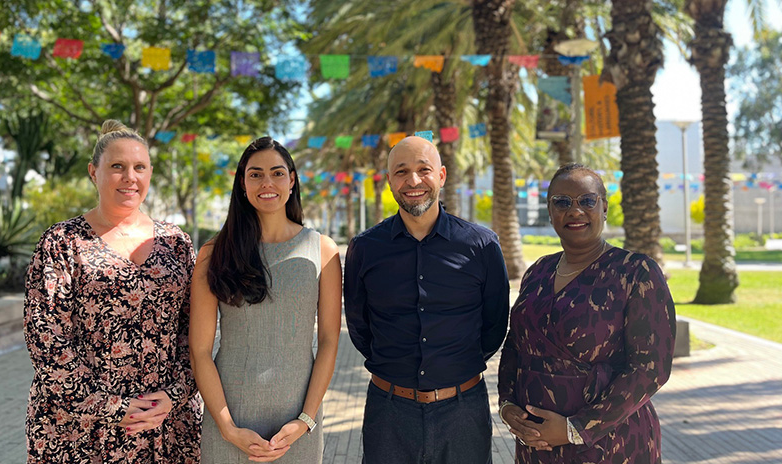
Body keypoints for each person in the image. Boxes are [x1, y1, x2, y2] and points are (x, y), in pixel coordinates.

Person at [24, 120, 201, 463]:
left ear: (150, 173)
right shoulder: (62, 242)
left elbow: (195, 330)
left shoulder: (176, 242)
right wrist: (110, 406)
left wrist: (174, 395)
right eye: (117, 167)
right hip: (79, 428)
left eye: (139, 167)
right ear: (94, 172)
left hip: (165, 424)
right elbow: (45, 337)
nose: (129, 177)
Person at [344, 136, 511, 464]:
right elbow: (359, 325)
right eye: (402, 172)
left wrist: (454, 366)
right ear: (389, 180)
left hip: (464, 411)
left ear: (442, 176)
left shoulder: (482, 246)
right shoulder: (365, 248)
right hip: (388, 411)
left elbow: (495, 325)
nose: (413, 181)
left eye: (424, 170)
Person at [497, 163, 676, 463]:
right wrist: (507, 406)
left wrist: (575, 429)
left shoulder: (636, 273)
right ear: (550, 210)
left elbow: (650, 369)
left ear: (604, 207)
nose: (575, 210)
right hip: (537, 445)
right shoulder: (538, 272)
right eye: (562, 202)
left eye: (587, 201)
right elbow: (515, 344)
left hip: (609, 444)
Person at [190, 136, 341, 463]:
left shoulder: (324, 250)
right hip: (228, 421)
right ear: (242, 184)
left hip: (298, 424)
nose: (267, 182)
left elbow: (329, 341)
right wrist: (228, 428)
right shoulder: (214, 253)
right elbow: (200, 350)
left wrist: (306, 419)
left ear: (292, 180)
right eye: (255, 174)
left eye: (277, 172)